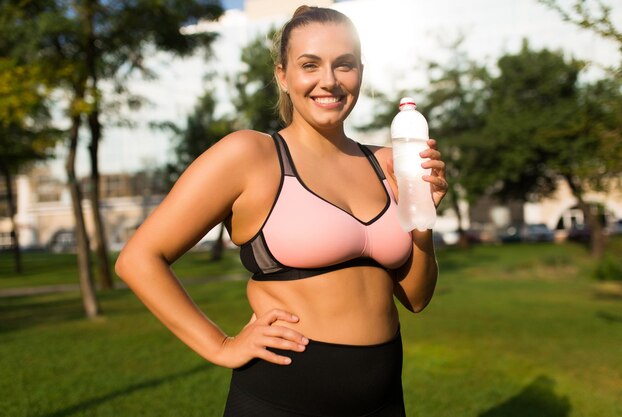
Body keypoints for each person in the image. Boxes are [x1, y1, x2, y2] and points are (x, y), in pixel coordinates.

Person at [115, 5, 447, 417]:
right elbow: (139, 259)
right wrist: (220, 346)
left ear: (360, 72)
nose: (329, 81)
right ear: (283, 76)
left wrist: (421, 219)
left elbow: (416, 298)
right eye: (310, 65)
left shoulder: (388, 162)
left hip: (383, 399)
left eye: (344, 65)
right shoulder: (250, 155)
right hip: (281, 398)